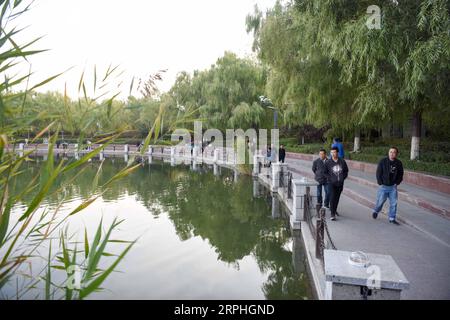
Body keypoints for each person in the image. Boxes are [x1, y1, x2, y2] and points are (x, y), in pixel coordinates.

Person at [372, 147, 404, 225]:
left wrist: (397, 183)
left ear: (396, 154)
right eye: (390, 152)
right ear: (388, 153)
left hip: (393, 187)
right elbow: (378, 172)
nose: (392, 153)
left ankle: (392, 218)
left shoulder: (399, 163)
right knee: (380, 202)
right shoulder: (383, 161)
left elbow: (401, 174)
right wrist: (380, 182)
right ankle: (376, 211)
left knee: (394, 203)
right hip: (383, 186)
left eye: (394, 152)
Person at [324, 146, 349, 221]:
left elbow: (346, 171)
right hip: (331, 183)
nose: (333, 154)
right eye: (331, 152)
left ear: (337, 153)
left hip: (340, 183)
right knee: (332, 197)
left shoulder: (342, 161)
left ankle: (334, 210)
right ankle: (332, 214)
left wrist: (342, 178)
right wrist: (330, 178)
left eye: (334, 152)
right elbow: (325, 172)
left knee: (337, 198)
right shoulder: (328, 162)